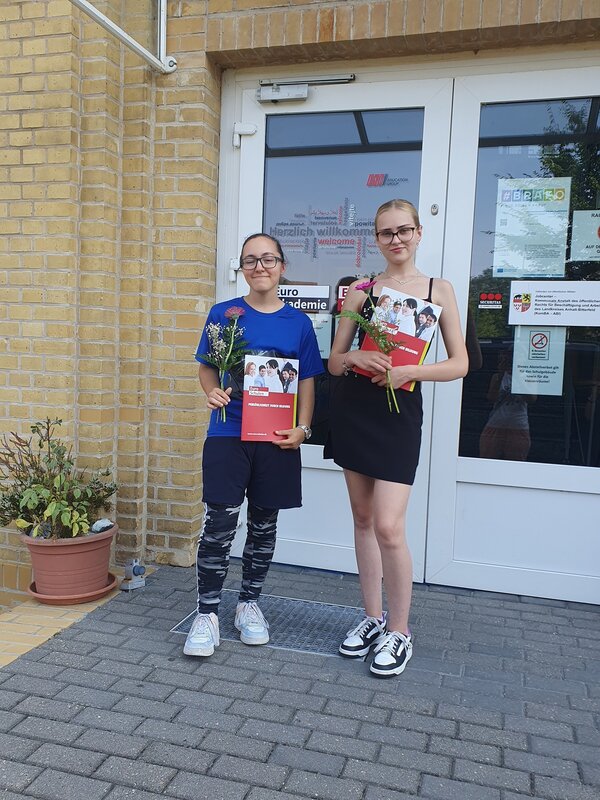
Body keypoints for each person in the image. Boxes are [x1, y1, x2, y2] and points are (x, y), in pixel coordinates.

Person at [326, 199, 468, 678]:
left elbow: (461, 363)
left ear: (419, 232)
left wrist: (411, 369)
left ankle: (401, 631)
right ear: (376, 238)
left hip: (400, 414)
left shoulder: (439, 290)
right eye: (386, 232)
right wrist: (356, 361)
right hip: (356, 412)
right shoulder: (361, 292)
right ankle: (372, 618)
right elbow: (333, 360)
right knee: (363, 519)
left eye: (404, 230)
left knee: (389, 525)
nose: (396, 239)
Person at [184, 233, 324, 658]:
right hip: (228, 433)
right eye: (250, 260)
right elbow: (207, 368)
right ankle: (206, 613)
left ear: (282, 266)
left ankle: (249, 605)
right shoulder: (224, 314)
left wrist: (303, 427)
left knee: (264, 526)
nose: (259, 266)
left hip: (277, 437)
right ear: (241, 268)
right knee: (220, 524)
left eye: (268, 259)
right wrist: (211, 392)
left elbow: (306, 380)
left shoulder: (297, 323)